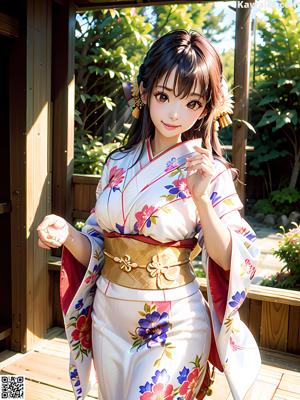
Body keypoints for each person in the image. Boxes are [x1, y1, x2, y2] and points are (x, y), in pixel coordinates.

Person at [37, 30, 261, 400]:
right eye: (164, 96)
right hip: (108, 317)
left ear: (207, 108)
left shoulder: (211, 171)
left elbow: (233, 258)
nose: (176, 113)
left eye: (192, 103)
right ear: (144, 92)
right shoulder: (117, 164)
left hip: (174, 323)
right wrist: (65, 233)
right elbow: (95, 243)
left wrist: (203, 201)